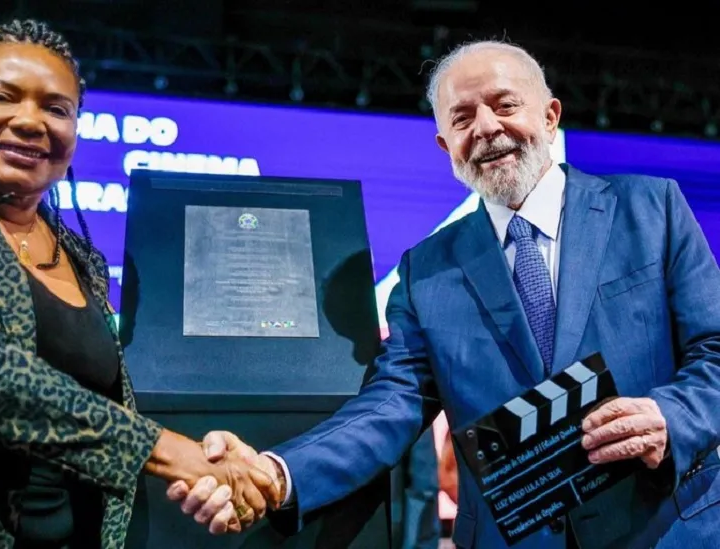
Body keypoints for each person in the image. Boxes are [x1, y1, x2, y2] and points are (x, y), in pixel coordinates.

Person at [169, 40, 720, 548]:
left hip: (667, 527)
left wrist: (670, 416)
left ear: (550, 117)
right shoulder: (426, 271)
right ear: (445, 145)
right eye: (462, 118)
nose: (484, 128)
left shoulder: (653, 210)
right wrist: (277, 473)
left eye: (505, 106)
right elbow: (387, 408)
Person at [0, 19, 277, 548]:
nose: (31, 121)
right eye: (3, 96)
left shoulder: (78, 256)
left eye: (56, 108)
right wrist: (171, 453)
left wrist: (211, 458)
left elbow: (100, 406)